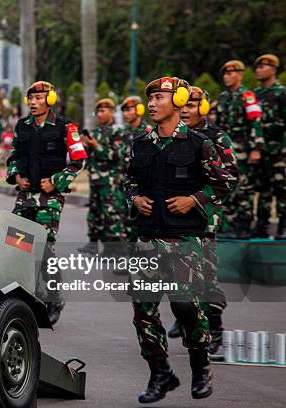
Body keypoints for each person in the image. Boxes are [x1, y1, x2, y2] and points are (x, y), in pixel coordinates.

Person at [124, 77, 231, 403]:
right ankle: (160, 373)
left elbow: (222, 185)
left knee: (185, 305)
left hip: (185, 239)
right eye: (151, 98)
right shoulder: (139, 143)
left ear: (179, 99)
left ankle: (201, 367)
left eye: (159, 97)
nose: (152, 103)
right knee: (143, 311)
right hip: (147, 238)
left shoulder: (200, 143)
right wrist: (135, 200)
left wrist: (194, 199)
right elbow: (129, 181)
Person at [6, 81, 87, 324]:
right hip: (24, 196)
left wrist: (55, 181)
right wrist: (16, 176)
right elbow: (13, 155)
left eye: (38, 98)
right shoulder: (22, 126)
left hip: (50, 198)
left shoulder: (65, 127)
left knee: (45, 249)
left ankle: (53, 299)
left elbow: (78, 160)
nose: (33, 102)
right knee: (16, 245)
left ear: (50, 100)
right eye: (30, 98)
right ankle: (26, 297)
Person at [170, 86, 238, 355]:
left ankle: (216, 327)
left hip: (204, 216)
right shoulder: (173, 136)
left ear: (204, 107)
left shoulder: (216, 137)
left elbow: (229, 177)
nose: (186, 109)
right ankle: (187, 318)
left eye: (193, 104)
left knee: (206, 275)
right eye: (183, 104)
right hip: (175, 218)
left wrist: (197, 199)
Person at [215, 60, 264, 238]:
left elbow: (255, 122)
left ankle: (244, 225)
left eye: (231, 73)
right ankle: (230, 224)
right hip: (225, 150)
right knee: (227, 186)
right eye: (225, 74)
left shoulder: (247, 96)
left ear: (240, 75)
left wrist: (256, 148)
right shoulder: (222, 98)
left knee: (244, 187)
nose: (227, 77)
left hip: (243, 149)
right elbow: (218, 126)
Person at [79, 98, 127, 257]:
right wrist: (85, 147)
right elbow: (88, 158)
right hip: (95, 179)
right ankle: (93, 243)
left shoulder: (118, 131)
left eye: (103, 111)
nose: (99, 114)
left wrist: (96, 147)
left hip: (111, 181)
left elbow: (117, 154)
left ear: (112, 112)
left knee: (111, 214)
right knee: (95, 212)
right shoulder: (96, 132)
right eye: (98, 112)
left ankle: (114, 249)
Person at [253, 54, 285, 239]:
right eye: (257, 67)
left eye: (262, 66)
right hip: (261, 151)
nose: (258, 70)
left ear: (273, 69)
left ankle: (283, 224)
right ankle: (262, 224)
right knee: (262, 189)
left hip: (279, 150)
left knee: (281, 188)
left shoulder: (281, 93)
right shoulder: (255, 95)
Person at [120, 96, 153, 243]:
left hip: (142, 185)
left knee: (139, 227)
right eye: (124, 111)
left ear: (139, 110)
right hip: (127, 183)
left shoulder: (148, 132)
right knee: (125, 223)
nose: (126, 114)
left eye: (129, 110)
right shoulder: (123, 133)